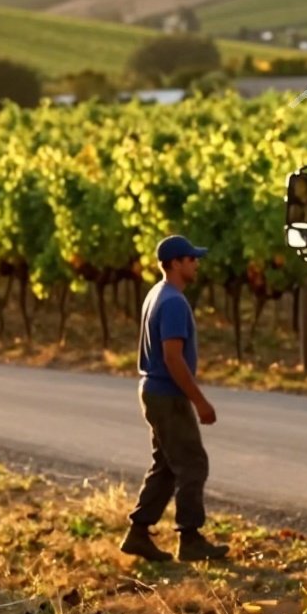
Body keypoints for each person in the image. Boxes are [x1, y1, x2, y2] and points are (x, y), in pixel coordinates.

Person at [120, 234, 230, 563]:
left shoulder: (158, 294)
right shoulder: (173, 302)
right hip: (168, 395)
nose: (196, 264)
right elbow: (172, 357)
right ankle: (190, 539)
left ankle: (138, 533)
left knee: (167, 466)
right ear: (176, 263)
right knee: (192, 464)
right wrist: (199, 401)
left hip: (154, 392)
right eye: (191, 259)